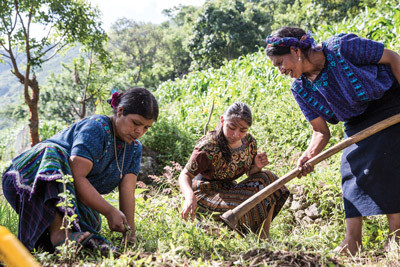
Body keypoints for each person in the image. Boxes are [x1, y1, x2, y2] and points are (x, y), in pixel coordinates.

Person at [265, 26, 400, 255]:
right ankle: (352, 242)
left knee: (384, 161)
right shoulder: (301, 89)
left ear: (295, 49)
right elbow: (320, 132)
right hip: (356, 123)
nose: (280, 70)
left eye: (280, 63)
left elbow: (392, 57)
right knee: (350, 173)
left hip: (388, 106)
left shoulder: (342, 47)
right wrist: (308, 156)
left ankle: (396, 237)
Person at [2, 87, 158, 253]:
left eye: (146, 128)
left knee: (92, 222)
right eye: (136, 123)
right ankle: (59, 234)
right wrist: (109, 211)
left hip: (67, 197)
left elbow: (127, 191)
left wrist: (130, 234)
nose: (139, 131)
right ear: (120, 111)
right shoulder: (96, 128)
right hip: (26, 178)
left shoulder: (134, 149)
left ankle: (48, 243)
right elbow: (77, 176)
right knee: (52, 152)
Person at [179, 102, 289, 238]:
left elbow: (250, 174)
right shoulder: (208, 147)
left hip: (228, 190)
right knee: (240, 206)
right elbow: (185, 175)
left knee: (270, 181)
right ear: (222, 120)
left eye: (243, 130)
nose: (236, 134)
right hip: (205, 193)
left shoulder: (249, 143)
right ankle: (211, 228)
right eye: (231, 127)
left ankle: (264, 237)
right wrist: (189, 197)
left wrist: (256, 167)